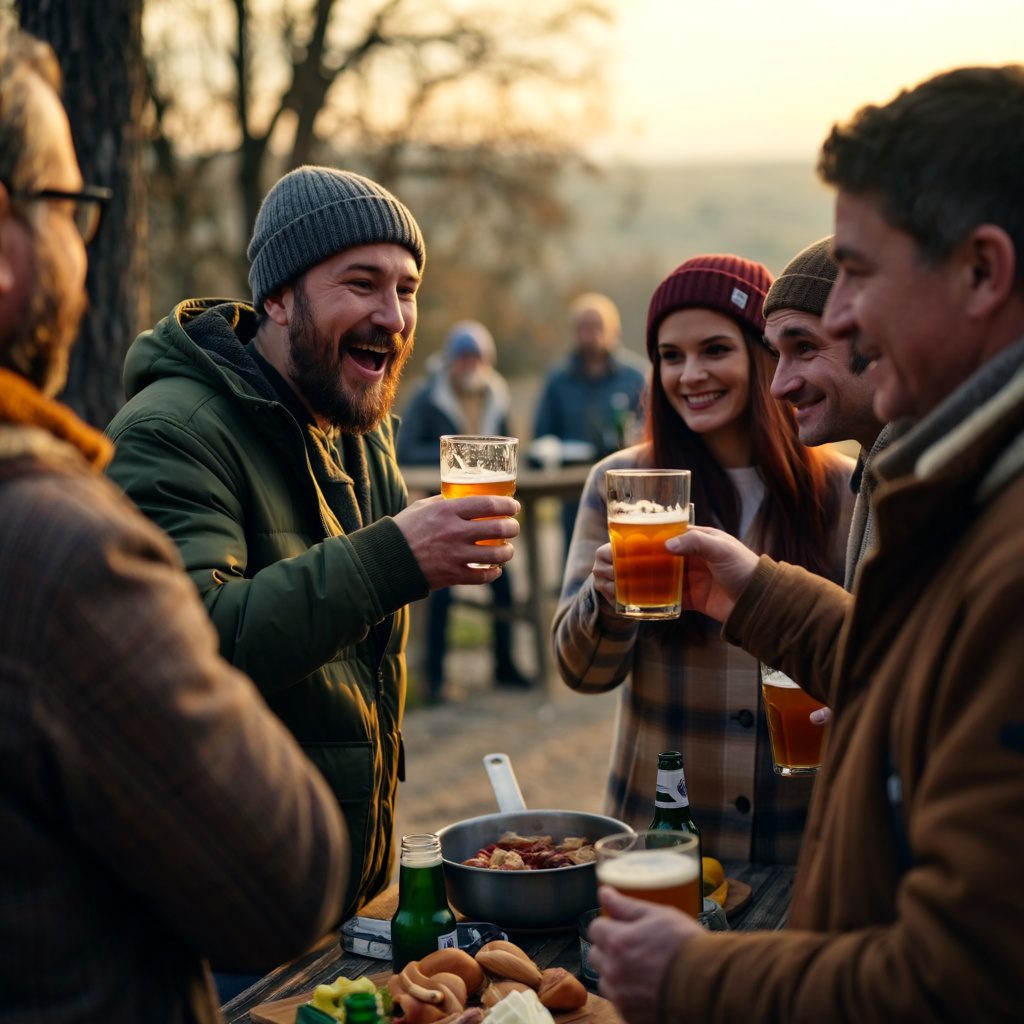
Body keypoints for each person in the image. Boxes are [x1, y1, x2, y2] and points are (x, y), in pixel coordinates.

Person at [590, 65, 1024, 1024]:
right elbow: (910, 665)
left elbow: (962, 981)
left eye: (861, 275)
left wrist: (689, 978)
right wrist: (756, 592)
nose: (844, 322)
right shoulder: (960, 477)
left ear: (983, 272)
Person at [0, 24, 348, 1022]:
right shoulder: (61, 546)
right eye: (68, 206)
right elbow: (288, 877)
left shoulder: (355, 428)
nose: (86, 237)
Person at [105, 166, 520, 918]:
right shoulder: (173, 432)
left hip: (338, 890)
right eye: (361, 283)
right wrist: (395, 557)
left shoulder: (355, 429)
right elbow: (188, 649)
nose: (393, 316)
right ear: (279, 296)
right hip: (222, 914)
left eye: (407, 289)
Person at [552, 254, 855, 864]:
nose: (690, 374)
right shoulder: (622, 482)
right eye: (670, 356)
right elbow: (582, 675)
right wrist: (607, 601)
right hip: (662, 835)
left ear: (764, 354)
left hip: (804, 838)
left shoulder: (843, 491)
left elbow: (870, 663)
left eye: (715, 349)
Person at [397, 319, 530, 698]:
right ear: (452, 360)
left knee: (505, 578)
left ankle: (505, 663)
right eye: (464, 357)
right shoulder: (428, 396)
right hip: (445, 508)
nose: (470, 365)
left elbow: (509, 446)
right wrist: (463, 457)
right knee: (441, 590)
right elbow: (407, 449)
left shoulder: (496, 395)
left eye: (477, 357)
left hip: (489, 510)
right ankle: (435, 677)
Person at [762, 235, 888, 590]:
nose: (778, 387)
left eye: (804, 347)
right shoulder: (880, 469)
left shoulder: (941, 480)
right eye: (776, 355)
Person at [533, 292, 647, 550]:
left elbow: (650, 431)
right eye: (583, 327)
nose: (589, 334)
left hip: (627, 489)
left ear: (613, 330)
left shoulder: (636, 378)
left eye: (596, 327)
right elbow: (541, 432)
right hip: (572, 490)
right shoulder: (557, 380)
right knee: (576, 554)